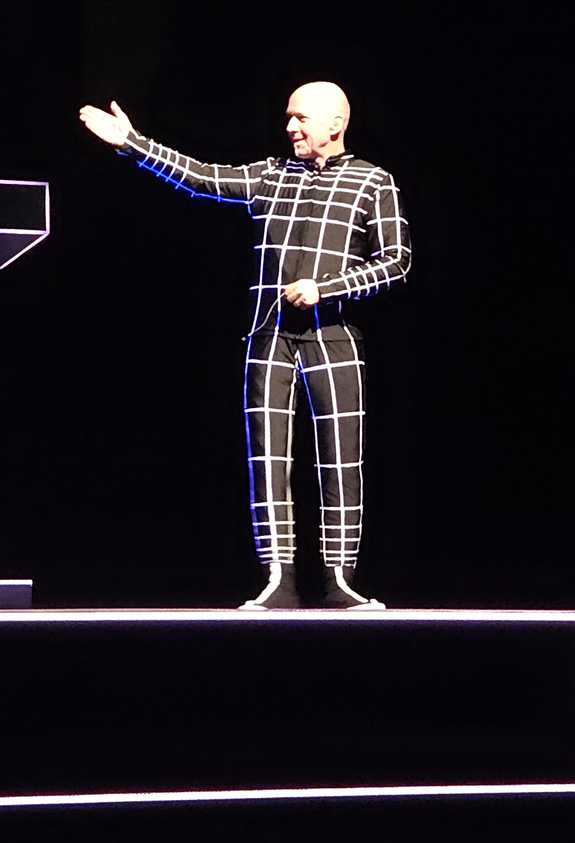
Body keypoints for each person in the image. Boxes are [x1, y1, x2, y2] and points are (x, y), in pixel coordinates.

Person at [79, 82, 411, 609]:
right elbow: (201, 176)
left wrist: (326, 288)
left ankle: (338, 580)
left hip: (334, 336)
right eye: (288, 117)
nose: (290, 127)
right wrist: (132, 144)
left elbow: (396, 261)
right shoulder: (271, 176)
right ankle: (278, 579)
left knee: (341, 459)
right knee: (268, 457)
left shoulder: (372, 181)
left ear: (335, 124)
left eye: (301, 118)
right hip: (269, 335)